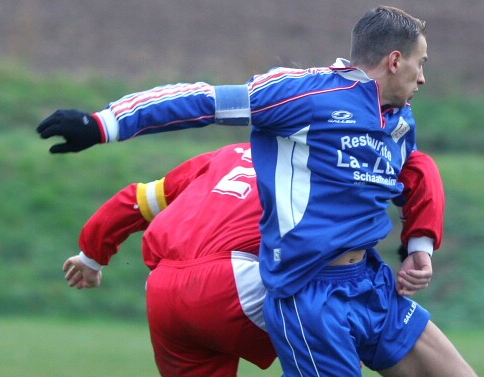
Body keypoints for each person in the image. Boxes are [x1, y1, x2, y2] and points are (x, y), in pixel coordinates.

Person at [38, 5, 478, 376]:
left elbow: (417, 173)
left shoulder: (399, 121)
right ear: (395, 61)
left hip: (370, 283)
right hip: (308, 294)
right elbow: (205, 101)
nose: (423, 78)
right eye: (421, 64)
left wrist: (419, 245)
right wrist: (104, 124)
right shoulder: (306, 93)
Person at [64, 142, 451, 376]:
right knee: (350, 316)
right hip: (235, 279)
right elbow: (420, 168)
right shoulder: (330, 152)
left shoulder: (222, 157)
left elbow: (136, 199)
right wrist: (420, 245)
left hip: (163, 291)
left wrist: (91, 258)